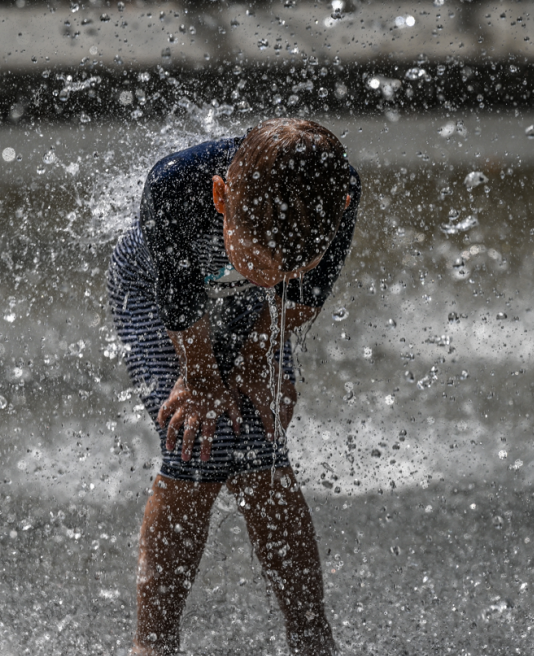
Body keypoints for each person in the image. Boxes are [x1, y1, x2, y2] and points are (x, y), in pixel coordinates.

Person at [106, 117, 360, 656]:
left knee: (259, 445)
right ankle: (152, 643)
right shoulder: (176, 185)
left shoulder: (335, 192)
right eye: (260, 262)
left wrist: (260, 357)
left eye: (289, 266)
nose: (272, 273)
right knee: (199, 440)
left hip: (251, 307)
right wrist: (199, 379)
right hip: (160, 289)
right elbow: (180, 304)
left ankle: (312, 638)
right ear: (220, 196)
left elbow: (296, 298)